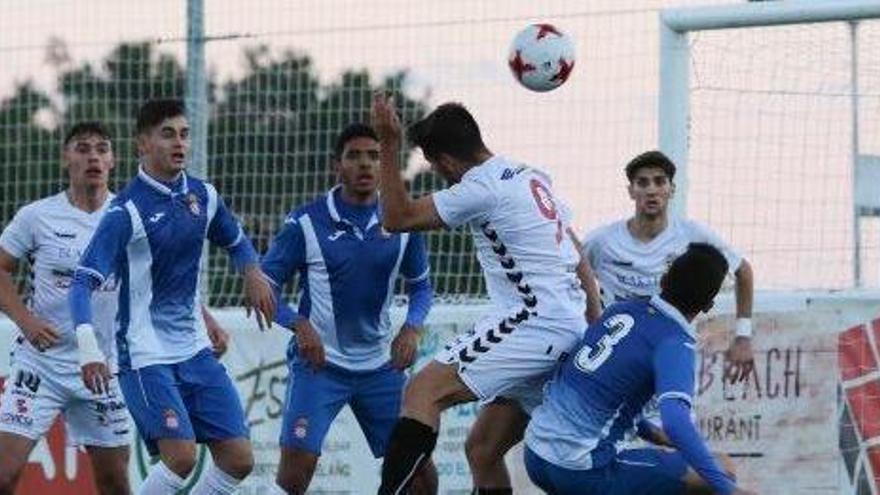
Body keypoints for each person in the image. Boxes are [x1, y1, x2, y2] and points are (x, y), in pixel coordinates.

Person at [370, 95, 587, 495]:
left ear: (447, 162)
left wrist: (388, 142)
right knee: (483, 449)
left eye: (434, 167)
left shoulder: (481, 187)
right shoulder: (531, 175)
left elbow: (396, 217)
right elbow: (579, 258)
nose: (437, 175)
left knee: (422, 392)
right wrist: (592, 324)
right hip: (567, 325)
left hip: (532, 324)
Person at [69, 99, 275, 495]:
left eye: (184, 134)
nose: (179, 143)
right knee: (180, 458)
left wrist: (252, 271)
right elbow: (82, 283)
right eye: (167, 134)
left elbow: (236, 241)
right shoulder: (126, 211)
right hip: (145, 356)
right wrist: (88, 348)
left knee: (238, 460)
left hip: (195, 350)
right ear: (142, 145)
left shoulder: (204, 196)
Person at [260, 123, 438, 494]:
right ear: (335, 166)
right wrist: (298, 325)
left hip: (380, 369)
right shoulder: (305, 223)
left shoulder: (402, 222)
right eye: (354, 156)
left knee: (419, 476)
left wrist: (412, 327)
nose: (365, 165)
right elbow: (265, 289)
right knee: (296, 472)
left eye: (374, 156)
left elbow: (421, 287)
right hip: (320, 366)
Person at [523, 243, 756, 495]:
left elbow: (593, 383)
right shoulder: (674, 342)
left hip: (535, 455)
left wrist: (650, 431)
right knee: (721, 469)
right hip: (583, 471)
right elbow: (676, 421)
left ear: (664, 280)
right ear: (709, 305)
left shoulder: (620, 310)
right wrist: (728, 490)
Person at [581, 150, 754, 378]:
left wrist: (743, 336)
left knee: (672, 411)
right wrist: (590, 321)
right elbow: (570, 275)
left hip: (667, 355)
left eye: (659, 181)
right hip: (614, 359)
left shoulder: (693, 235)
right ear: (631, 191)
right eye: (642, 183)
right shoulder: (602, 241)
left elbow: (743, 271)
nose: (651, 190)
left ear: (671, 189)